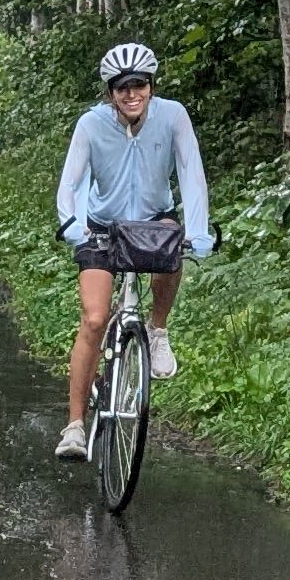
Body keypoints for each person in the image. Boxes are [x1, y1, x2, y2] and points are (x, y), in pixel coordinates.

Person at [54, 38, 208, 459]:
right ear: (110, 93)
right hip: (102, 228)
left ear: (151, 86)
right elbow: (70, 183)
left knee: (173, 236)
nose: (131, 93)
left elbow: (191, 174)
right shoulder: (91, 125)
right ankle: (74, 425)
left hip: (152, 220)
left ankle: (157, 331)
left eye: (139, 84)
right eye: (122, 86)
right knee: (94, 318)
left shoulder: (173, 117)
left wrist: (200, 230)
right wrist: (72, 226)